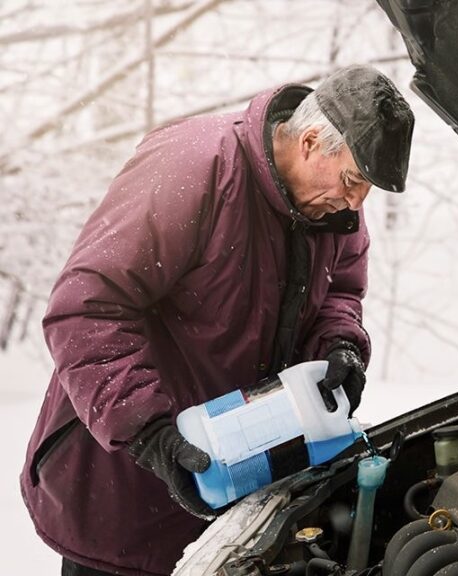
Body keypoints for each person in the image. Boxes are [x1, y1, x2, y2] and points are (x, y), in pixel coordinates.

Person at [20, 65, 415, 576]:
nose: (358, 202)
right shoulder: (195, 169)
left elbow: (340, 289)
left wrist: (338, 345)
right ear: (312, 141)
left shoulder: (332, 210)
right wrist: (150, 435)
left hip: (233, 491)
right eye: (353, 180)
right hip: (126, 482)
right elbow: (87, 307)